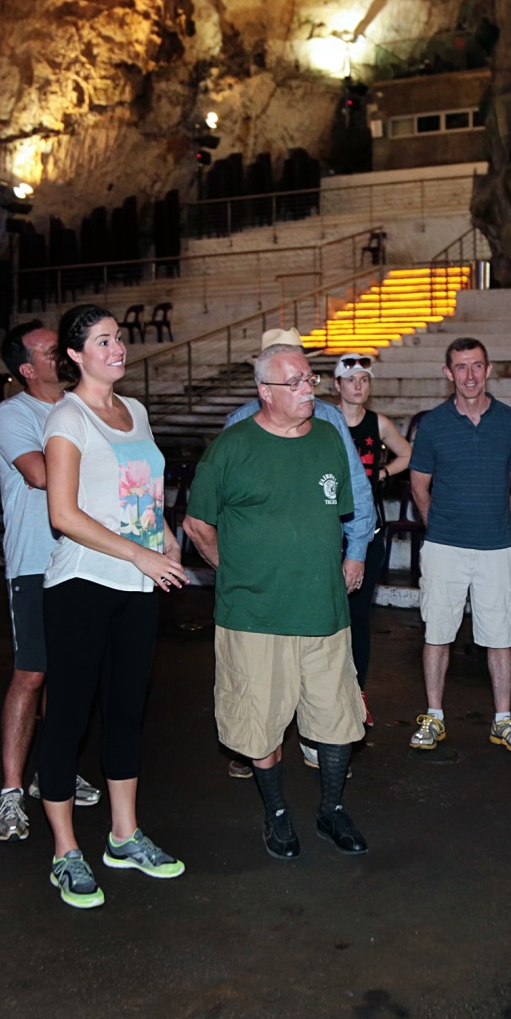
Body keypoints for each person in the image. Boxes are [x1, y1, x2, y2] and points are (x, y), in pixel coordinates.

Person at [184, 343, 368, 859]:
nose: (309, 389)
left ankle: (331, 810)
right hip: (255, 616)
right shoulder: (233, 446)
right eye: (296, 383)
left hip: (324, 611)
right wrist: (234, 571)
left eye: (310, 379)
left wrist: (351, 557)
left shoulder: (328, 438)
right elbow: (197, 524)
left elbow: (342, 512)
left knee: (338, 719)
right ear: (265, 392)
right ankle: (278, 814)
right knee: (259, 722)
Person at [38, 304, 188, 908]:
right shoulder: (66, 417)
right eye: (102, 341)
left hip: (137, 585)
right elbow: (63, 513)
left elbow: (143, 493)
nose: (117, 348)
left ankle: (124, 836)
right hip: (82, 583)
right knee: (69, 716)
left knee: (126, 711)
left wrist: (165, 539)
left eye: (118, 338)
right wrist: (139, 554)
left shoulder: (136, 412)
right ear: (75, 356)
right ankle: (65, 850)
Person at [220, 328, 375, 773]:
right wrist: (234, 566)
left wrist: (356, 550)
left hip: (316, 566)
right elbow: (224, 506)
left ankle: (316, 738)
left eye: (303, 369)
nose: (303, 382)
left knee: (320, 656)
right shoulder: (239, 423)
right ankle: (256, 744)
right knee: (260, 662)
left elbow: (355, 487)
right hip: (264, 574)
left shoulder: (328, 419)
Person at [0, 320, 100, 842]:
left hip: (81, 560)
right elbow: (38, 473)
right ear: (27, 369)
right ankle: (10, 790)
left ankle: (53, 771)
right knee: (31, 674)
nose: (63, 354)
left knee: (68, 676)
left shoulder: (80, 408)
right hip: (35, 562)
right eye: (51, 351)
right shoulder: (15, 414)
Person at [406, 336, 511, 754]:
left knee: (501, 635)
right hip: (444, 547)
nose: (469, 375)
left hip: (496, 548)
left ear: (489, 369)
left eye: (477, 365)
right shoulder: (433, 424)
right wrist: (439, 527)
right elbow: (419, 485)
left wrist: (499, 523)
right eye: (461, 367)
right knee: (437, 632)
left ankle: (503, 719)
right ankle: (433, 716)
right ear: (448, 373)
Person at [333, 352, 411, 718]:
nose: (358, 386)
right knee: (326, 616)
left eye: (364, 380)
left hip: (366, 532)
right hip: (328, 533)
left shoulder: (377, 423)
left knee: (359, 616)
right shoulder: (324, 420)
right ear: (338, 385)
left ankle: (357, 692)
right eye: (351, 380)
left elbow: (406, 454)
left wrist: (382, 473)